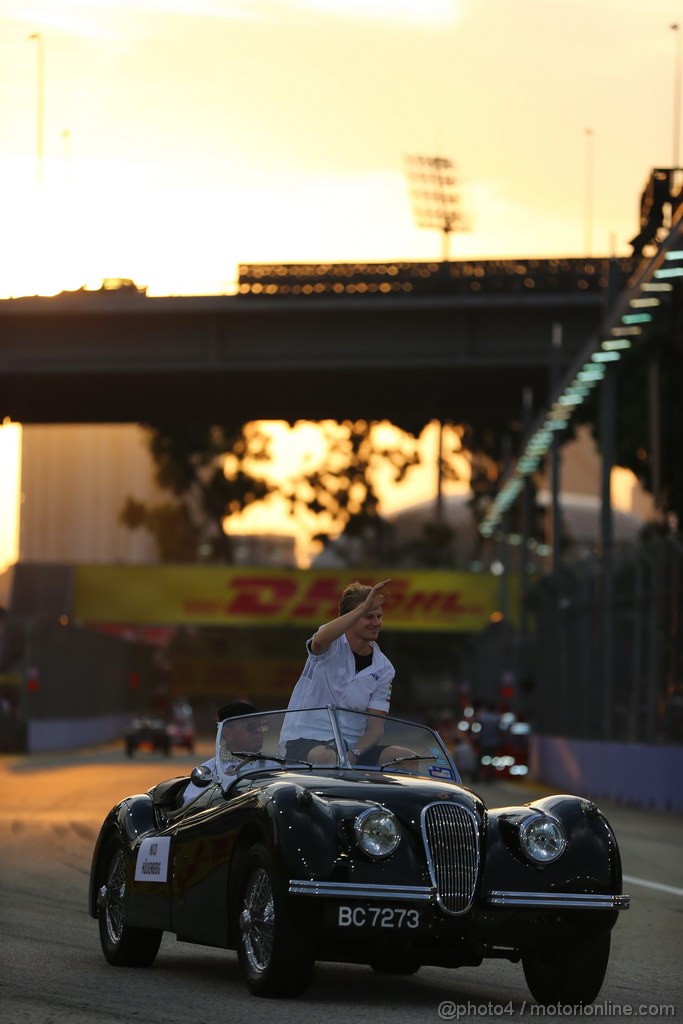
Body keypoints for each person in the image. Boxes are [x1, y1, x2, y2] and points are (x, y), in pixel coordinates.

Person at [279, 579, 411, 766]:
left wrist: (352, 754)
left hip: (352, 748)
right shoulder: (331, 643)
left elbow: (375, 731)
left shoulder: (384, 668)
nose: (376, 623)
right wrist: (362, 608)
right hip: (303, 740)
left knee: (407, 758)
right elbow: (320, 640)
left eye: (379, 616)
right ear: (350, 618)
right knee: (327, 758)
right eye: (368, 616)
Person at [181, 700, 263, 805]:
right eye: (250, 727)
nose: (258, 731)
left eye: (260, 726)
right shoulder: (210, 772)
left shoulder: (274, 765)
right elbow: (192, 808)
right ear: (228, 733)